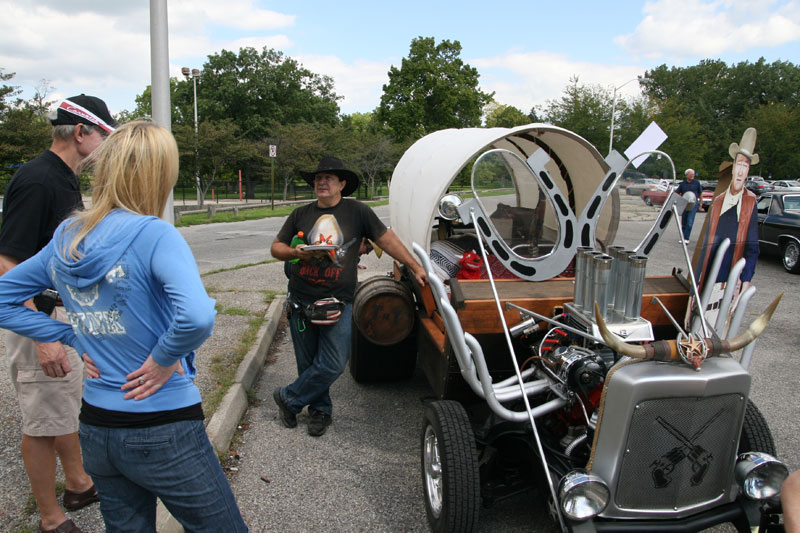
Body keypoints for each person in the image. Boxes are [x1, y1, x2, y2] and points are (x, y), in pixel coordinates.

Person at [0, 122, 248, 532]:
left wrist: (69, 334)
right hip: (163, 426)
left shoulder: (67, 235)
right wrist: (164, 358)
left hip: (97, 429)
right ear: (160, 175)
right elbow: (198, 315)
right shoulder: (154, 234)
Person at [0, 94, 115, 533]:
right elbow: (8, 261)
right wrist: (43, 335)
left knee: (64, 406)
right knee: (42, 421)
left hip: (59, 315)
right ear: (81, 133)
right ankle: (51, 519)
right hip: (39, 319)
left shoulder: (61, 178)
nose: (106, 145)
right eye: (104, 134)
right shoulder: (39, 180)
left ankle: (80, 483)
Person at [270, 155, 427, 437]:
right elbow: (276, 247)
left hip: (339, 303)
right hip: (301, 302)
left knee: (332, 363)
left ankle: (288, 398)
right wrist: (295, 252)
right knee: (308, 364)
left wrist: (415, 266)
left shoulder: (358, 212)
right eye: (318, 178)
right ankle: (319, 411)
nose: (322, 182)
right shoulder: (300, 214)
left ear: (342, 183)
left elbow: (386, 240)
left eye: (328, 177)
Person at [694, 128, 759, 325]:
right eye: (739, 164)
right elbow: (705, 246)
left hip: (728, 281)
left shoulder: (750, 202)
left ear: (748, 171)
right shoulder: (719, 202)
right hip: (708, 278)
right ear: (732, 167)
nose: (741, 171)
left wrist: (745, 283)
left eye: (745, 166)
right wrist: (693, 290)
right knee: (699, 325)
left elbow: (752, 249)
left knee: (719, 328)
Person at [676, 168, 703, 243]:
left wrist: (700, 204)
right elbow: (677, 192)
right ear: (686, 175)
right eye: (691, 174)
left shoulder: (696, 183)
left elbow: (700, 194)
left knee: (690, 221)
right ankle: (683, 237)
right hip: (684, 204)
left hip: (693, 204)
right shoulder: (683, 184)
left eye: (693, 174)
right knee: (683, 222)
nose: (692, 176)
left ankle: (686, 238)